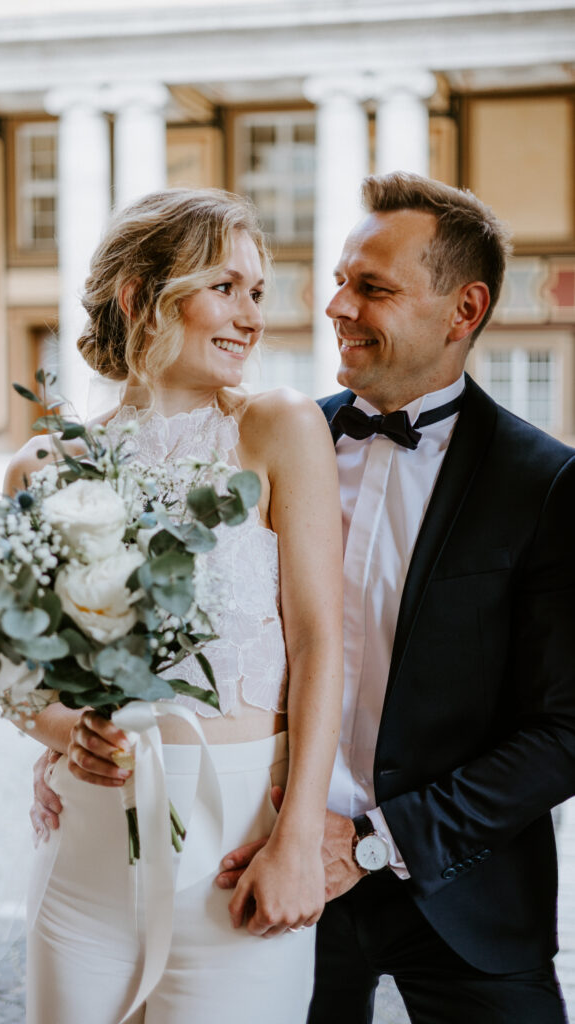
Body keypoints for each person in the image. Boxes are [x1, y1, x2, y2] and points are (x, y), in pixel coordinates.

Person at [212, 172, 575, 1023]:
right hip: (267, 860)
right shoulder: (263, 447)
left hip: (465, 887)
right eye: (339, 279)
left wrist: (375, 843)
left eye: (370, 287)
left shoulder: (548, 483)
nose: (335, 305)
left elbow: (563, 730)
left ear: (463, 309)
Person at [5, 188, 344, 1024]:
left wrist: (298, 836)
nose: (251, 316)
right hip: (83, 858)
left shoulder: (278, 429)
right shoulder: (41, 468)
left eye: (258, 292)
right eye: (225, 286)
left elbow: (320, 643)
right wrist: (65, 731)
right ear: (139, 295)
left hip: (235, 852)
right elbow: (17, 676)